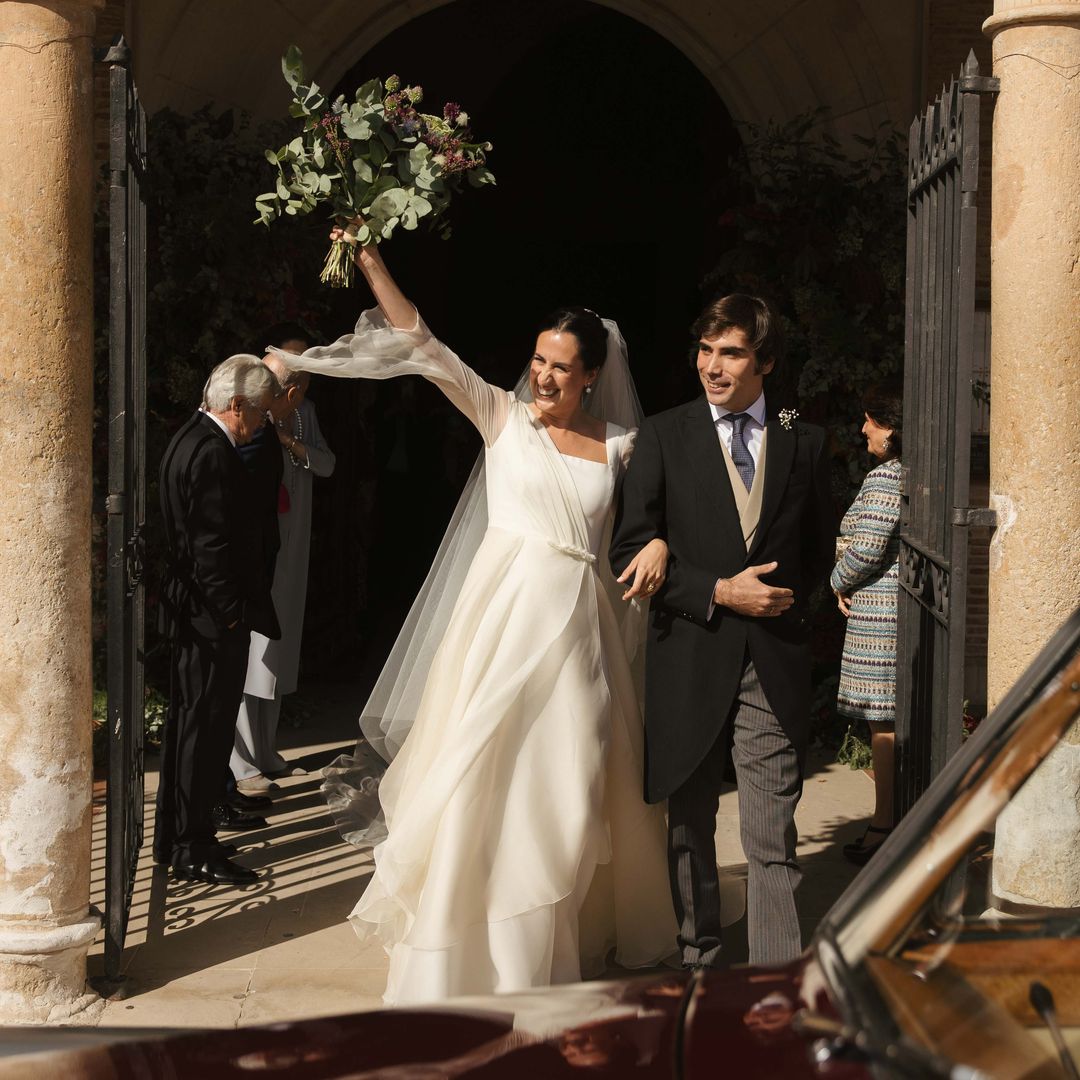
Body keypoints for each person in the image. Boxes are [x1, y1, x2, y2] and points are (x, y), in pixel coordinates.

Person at [275, 229, 678, 1004]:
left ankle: (546, 953)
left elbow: (651, 519)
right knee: (478, 787)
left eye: (563, 366)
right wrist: (368, 260)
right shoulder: (500, 415)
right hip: (499, 633)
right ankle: (457, 960)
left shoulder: (626, 446)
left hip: (580, 641)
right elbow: (420, 342)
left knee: (563, 791)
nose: (546, 375)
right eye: (539, 360)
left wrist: (657, 537)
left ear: (593, 375)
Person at [610, 294, 835, 967]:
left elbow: (819, 551)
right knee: (689, 828)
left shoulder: (807, 442)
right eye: (705, 350)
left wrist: (791, 613)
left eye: (730, 352)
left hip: (771, 660)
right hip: (689, 657)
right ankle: (699, 962)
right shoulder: (662, 434)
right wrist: (714, 590)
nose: (712, 365)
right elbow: (628, 550)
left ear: (765, 360)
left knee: (771, 836)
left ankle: (775, 982)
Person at [155, 355, 281, 885]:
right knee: (202, 735)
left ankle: (178, 837)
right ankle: (191, 846)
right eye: (260, 414)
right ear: (236, 405)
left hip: (197, 618)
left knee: (194, 733)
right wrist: (231, 616)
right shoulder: (211, 451)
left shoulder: (188, 435)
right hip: (208, 623)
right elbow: (209, 545)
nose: (262, 424)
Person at [231, 326, 337, 793]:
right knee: (246, 652)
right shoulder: (241, 413)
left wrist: (290, 443)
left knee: (276, 649)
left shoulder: (303, 415)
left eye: (283, 387)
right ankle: (240, 762)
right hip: (254, 552)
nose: (272, 392)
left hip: (291, 548)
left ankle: (266, 749)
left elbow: (328, 464)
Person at [831, 383, 903, 866]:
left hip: (878, 614)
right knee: (887, 722)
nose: (863, 430)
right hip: (886, 607)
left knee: (883, 724)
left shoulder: (886, 478)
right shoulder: (908, 475)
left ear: (890, 427)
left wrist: (837, 579)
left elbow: (867, 547)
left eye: (870, 421)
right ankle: (891, 817)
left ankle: (885, 823)